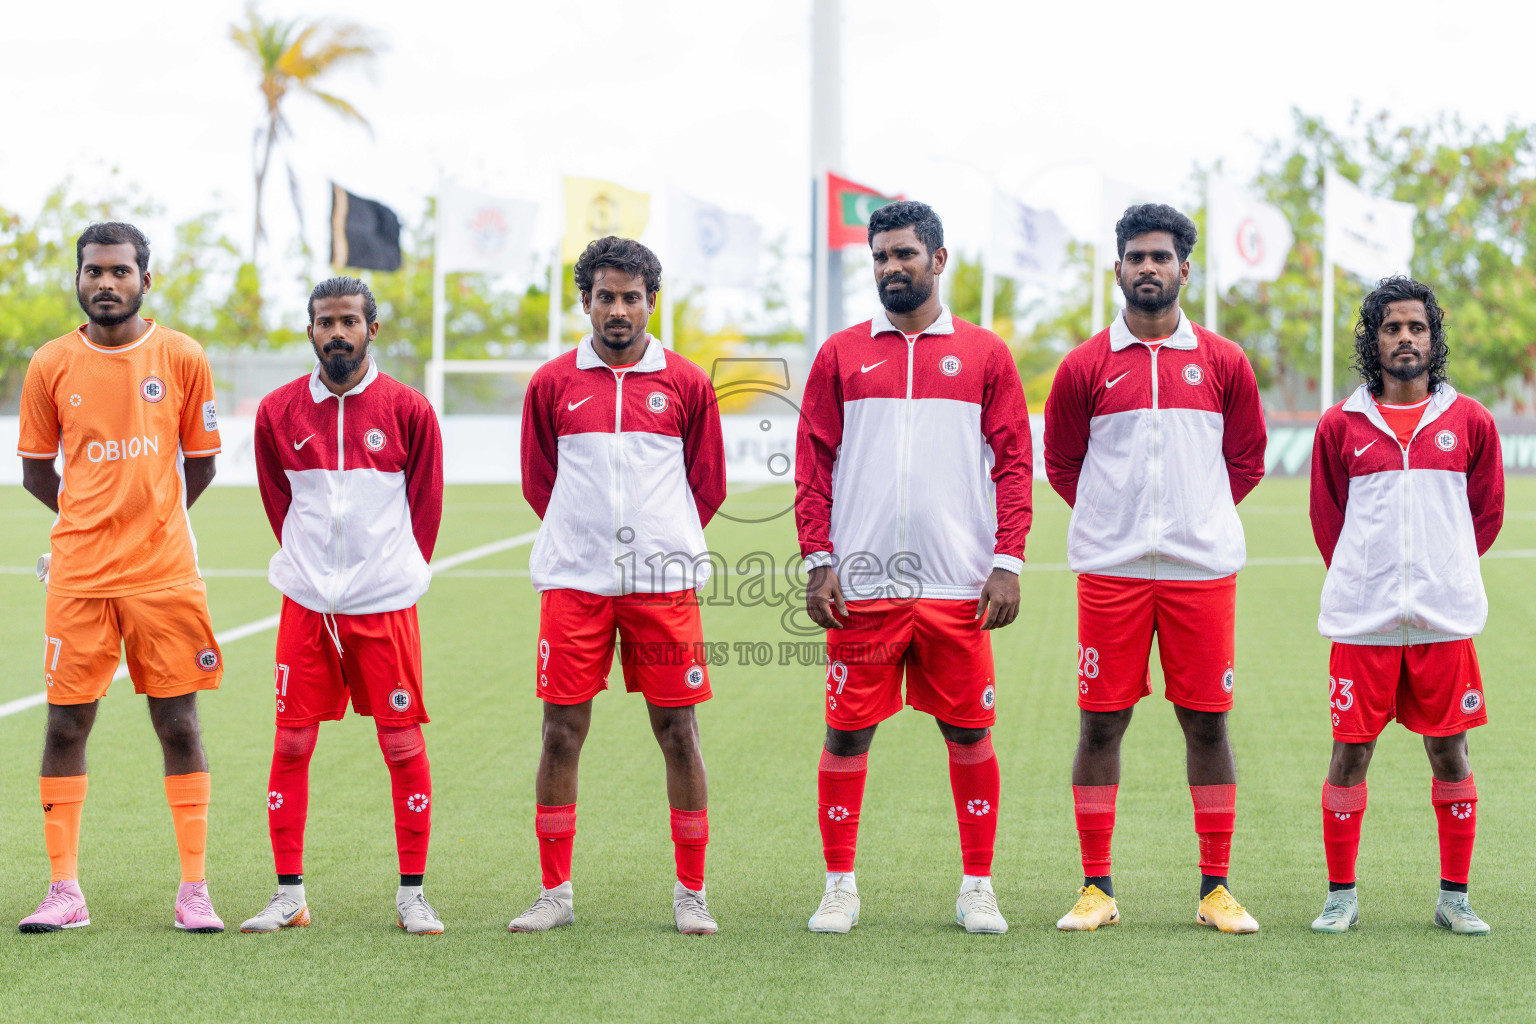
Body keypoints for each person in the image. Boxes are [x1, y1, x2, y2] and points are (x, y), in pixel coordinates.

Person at [796, 200, 1031, 935]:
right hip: (862, 586)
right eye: (880, 257)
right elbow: (814, 464)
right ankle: (839, 885)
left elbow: (1015, 464)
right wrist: (818, 558)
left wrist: (1007, 561)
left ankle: (977, 886)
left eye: (904, 254)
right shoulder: (840, 354)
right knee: (846, 735)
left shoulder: (986, 354)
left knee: (969, 736)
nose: (891, 267)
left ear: (938, 259)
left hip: (957, 585)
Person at [1043, 203, 1266, 933]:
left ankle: (1215, 889)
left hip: (1201, 573)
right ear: (1117, 269)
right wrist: (1120, 522)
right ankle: (1096, 888)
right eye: (1135, 257)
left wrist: (1194, 517)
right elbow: (1064, 465)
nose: (1148, 268)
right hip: (1111, 573)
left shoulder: (1225, 362)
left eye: (1160, 257)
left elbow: (1246, 460)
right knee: (1100, 726)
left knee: (1207, 726)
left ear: (1184, 270)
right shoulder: (1084, 366)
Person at [511, 237, 727, 935]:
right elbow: (539, 482)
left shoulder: (688, 384)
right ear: (587, 302)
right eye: (605, 296)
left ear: (651, 303)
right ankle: (554, 892)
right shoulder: (551, 384)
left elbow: (708, 485)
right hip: (575, 584)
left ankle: (691, 892)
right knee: (560, 733)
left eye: (631, 297)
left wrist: (657, 541)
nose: (618, 310)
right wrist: (586, 542)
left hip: (662, 587)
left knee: (678, 731)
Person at [16, 222, 225, 933]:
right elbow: (34, 470)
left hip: (163, 575)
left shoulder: (183, 356)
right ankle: (63, 891)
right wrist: (89, 519)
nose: (107, 283)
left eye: (121, 272)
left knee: (177, 722)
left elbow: (202, 462)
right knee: (67, 722)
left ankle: (194, 889)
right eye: (94, 272)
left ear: (146, 278)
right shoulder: (49, 364)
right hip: (78, 577)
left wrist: (150, 519)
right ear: (78, 279)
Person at [241, 276, 446, 936]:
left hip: (383, 606)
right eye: (325, 321)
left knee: (401, 743)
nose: (337, 332)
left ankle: (412, 894)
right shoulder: (276, 412)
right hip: (305, 604)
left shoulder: (409, 409)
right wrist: (312, 569)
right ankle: (289, 894)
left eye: (349, 321)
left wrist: (387, 572)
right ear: (309, 330)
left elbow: (427, 509)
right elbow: (279, 502)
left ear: (371, 328)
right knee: (293, 741)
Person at [1307, 277, 1503, 935]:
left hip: (1443, 623)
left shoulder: (1470, 420)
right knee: (1349, 754)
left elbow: (1486, 514)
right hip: (1363, 626)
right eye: (1392, 327)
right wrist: (1372, 580)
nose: (1405, 338)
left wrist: (1440, 573)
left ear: (1433, 337)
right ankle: (1341, 896)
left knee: (1451, 753)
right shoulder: (1341, 423)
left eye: (1416, 327)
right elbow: (1327, 520)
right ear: (1373, 339)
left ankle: (1454, 899)